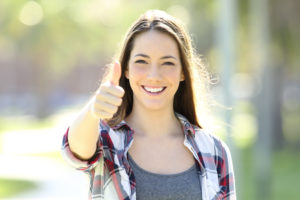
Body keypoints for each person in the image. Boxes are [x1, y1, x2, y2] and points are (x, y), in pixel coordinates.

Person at [62, 9, 236, 200]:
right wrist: (94, 110)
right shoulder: (106, 141)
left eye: (167, 63)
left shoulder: (214, 151)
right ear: (126, 69)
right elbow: (74, 151)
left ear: (182, 72)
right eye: (142, 61)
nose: (154, 76)